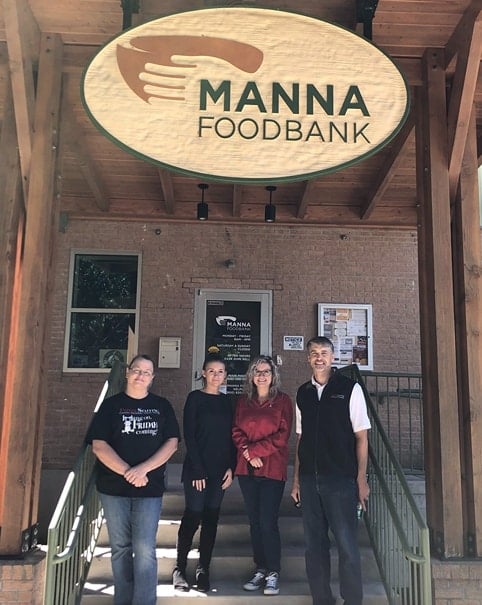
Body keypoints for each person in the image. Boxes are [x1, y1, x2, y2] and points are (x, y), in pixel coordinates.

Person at [86, 354, 180, 605]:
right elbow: (98, 445)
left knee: (145, 549)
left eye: (146, 372)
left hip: (149, 489)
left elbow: (171, 444)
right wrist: (129, 471)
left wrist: (142, 471)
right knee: (120, 548)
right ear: (127, 373)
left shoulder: (162, 406)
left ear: (152, 378)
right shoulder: (111, 406)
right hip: (113, 488)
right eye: (136, 370)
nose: (141, 375)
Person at [290, 337, 371, 605]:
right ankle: (322, 599)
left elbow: (361, 437)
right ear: (308, 358)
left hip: (340, 480)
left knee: (347, 546)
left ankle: (352, 600)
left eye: (324, 352)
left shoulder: (350, 389)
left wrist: (361, 479)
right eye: (314, 353)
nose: (319, 358)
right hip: (310, 482)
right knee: (314, 548)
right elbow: (300, 438)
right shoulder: (302, 392)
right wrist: (296, 481)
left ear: (333, 356)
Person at [172, 353, 235, 593]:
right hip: (197, 469)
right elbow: (189, 434)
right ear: (203, 373)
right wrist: (198, 470)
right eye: (211, 371)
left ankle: (203, 568)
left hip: (221, 470)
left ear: (226, 376)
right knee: (193, 515)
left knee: (211, 519)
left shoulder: (228, 402)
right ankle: (179, 567)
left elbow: (232, 438)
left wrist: (232, 468)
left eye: (220, 372)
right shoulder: (195, 398)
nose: (216, 375)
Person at [232, 355, 293, 596]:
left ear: (273, 375)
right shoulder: (243, 402)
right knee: (255, 522)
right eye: (257, 371)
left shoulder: (283, 401)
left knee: (268, 522)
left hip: (272, 469)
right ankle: (261, 568)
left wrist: (255, 451)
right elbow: (236, 429)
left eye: (266, 371)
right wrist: (248, 453)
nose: (262, 375)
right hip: (247, 469)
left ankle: (273, 572)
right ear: (251, 375)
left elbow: (283, 435)